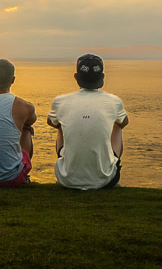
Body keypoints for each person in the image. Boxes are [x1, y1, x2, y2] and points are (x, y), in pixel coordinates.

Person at [47, 54, 129, 190]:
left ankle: (70, 166)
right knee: (117, 125)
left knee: (60, 125)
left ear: (76, 77)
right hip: (105, 180)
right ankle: (110, 164)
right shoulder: (114, 101)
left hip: (66, 179)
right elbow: (124, 122)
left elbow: (51, 122)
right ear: (102, 77)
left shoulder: (60, 101)